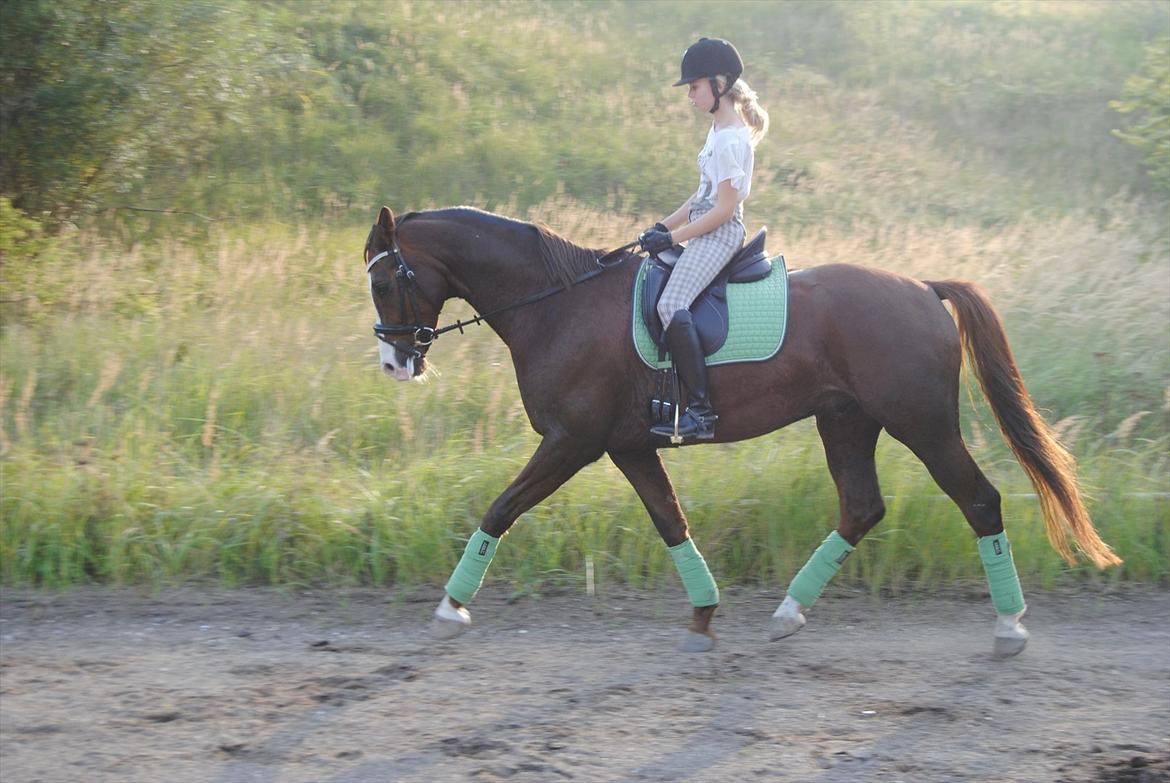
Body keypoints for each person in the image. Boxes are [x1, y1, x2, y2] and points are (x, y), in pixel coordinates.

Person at [640, 37, 769, 441]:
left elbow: (723, 210)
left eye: (694, 87)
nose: (690, 95)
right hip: (706, 225)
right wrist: (663, 228)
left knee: (671, 303)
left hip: (721, 233)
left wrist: (675, 237)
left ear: (718, 84)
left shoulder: (731, 139)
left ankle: (700, 413)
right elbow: (701, 197)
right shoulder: (718, 129)